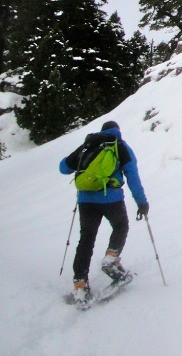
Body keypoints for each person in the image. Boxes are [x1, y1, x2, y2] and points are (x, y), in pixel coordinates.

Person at [60, 120, 148, 307]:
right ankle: (111, 260)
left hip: (86, 201)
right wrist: (142, 202)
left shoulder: (88, 145)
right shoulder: (120, 147)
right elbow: (132, 176)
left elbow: (63, 168)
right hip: (112, 199)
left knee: (86, 239)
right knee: (120, 226)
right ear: (117, 131)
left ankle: (80, 285)